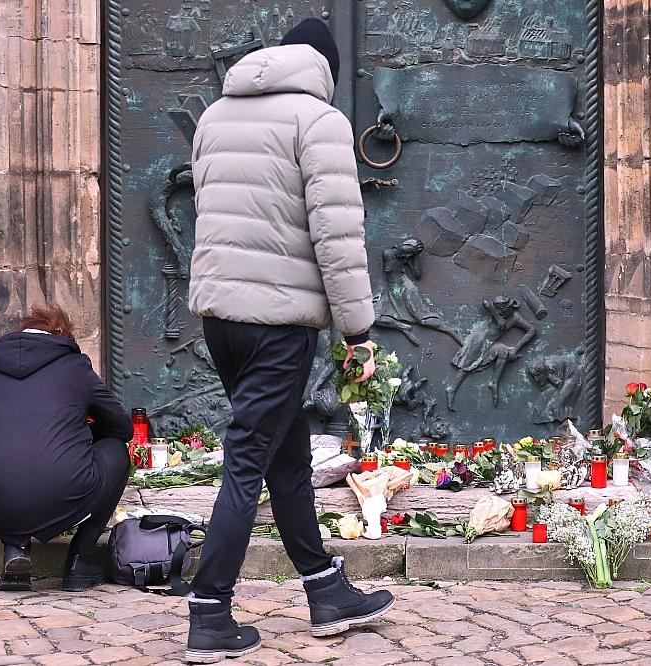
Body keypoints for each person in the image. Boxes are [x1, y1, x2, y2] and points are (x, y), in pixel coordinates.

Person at [185, 18, 393, 662]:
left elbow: (207, 207)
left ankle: (326, 589)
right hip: (278, 325)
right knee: (249, 460)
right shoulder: (320, 121)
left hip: (223, 318)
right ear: (324, 67)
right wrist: (357, 331)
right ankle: (210, 610)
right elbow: (337, 237)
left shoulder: (214, 115)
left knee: (285, 452)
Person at [0, 306, 132, 592]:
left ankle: (16, 550)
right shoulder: (75, 367)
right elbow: (122, 429)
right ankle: (80, 560)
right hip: (64, 491)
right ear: (61, 338)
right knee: (117, 451)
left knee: (9, 468)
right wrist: (80, 436)